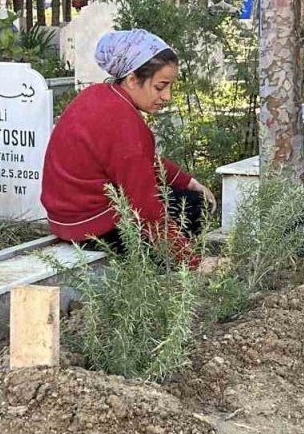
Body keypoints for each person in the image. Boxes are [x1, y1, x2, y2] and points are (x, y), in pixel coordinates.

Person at [41, 29, 216, 264]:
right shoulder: (123, 122)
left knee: (187, 195)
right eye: (160, 87)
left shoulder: (98, 95)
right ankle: (162, 268)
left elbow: (141, 159)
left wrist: (188, 181)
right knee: (193, 205)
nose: (167, 96)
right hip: (93, 227)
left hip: (66, 219)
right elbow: (146, 206)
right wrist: (190, 261)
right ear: (133, 79)